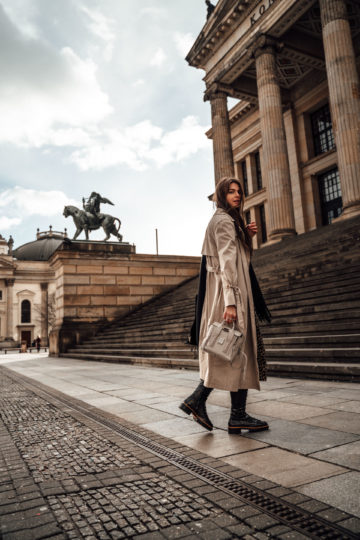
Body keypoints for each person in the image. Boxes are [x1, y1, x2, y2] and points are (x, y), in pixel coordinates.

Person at [180, 177, 270, 434]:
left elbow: (239, 259)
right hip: (231, 295)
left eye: (239, 191)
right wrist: (230, 302)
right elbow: (227, 263)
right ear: (221, 195)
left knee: (234, 351)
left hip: (233, 292)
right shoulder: (223, 221)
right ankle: (207, 404)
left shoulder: (229, 222)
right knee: (232, 350)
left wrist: (247, 238)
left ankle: (233, 414)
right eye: (231, 192)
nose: (237, 195)